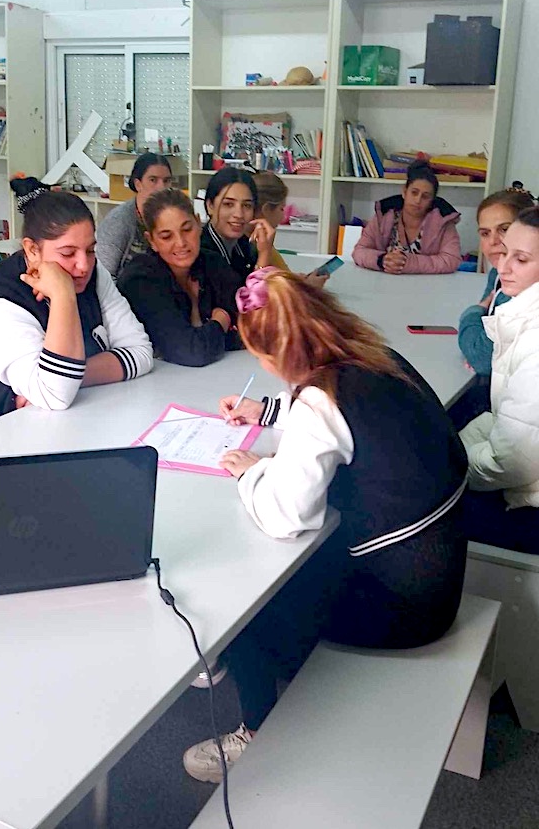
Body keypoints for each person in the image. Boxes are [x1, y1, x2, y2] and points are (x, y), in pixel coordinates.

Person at [183, 267, 468, 783]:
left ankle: (257, 732)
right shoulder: (374, 355)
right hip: (438, 564)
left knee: (244, 606)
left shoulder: (321, 402)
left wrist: (251, 473)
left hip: (407, 604)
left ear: (277, 355)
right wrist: (272, 411)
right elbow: (341, 419)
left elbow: (287, 515)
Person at [0, 178, 153, 439]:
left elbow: (140, 352)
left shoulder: (93, 275)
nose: (83, 265)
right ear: (32, 250)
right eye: (68, 253)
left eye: (90, 250)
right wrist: (63, 296)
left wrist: (70, 377)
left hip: (62, 427)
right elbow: (56, 395)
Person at [460, 206, 539, 555]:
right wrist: (458, 446)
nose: (503, 266)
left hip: (528, 506)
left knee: (412, 506)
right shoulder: (522, 316)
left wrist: (454, 463)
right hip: (522, 479)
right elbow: (504, 420)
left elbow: (511, 463)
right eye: (505, 253)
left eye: (520, 259)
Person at [118, 189, 243, 367]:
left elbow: (249, 326)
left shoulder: (211, 262)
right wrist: (221, 321)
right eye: (166, 236)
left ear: (198, 223)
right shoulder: (140, 278)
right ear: (151, 240)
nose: (181, 243)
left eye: (187, 229)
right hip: (153, 381)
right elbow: (191, 352)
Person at [449, 186, 534, 430]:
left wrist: (471, 315)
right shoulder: (499, 272)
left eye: (503, 229)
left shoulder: (521, 287)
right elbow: (488, 322)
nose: (494, 241)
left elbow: (482, 356)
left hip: (512, 412)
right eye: (485, 233)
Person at [352, 159, 461, 274]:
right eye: (414, 193)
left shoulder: (443, 221)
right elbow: (359, 251)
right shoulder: (384, 215)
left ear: (432, 201)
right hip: (383, 282)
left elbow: (451, 260)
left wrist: (408, 263)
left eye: (425, 196)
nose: (418, 200)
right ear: (404, 192)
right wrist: (382, 260)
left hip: (426, 284)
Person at [96, 152, 172, 280]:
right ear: (138, 184)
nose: (161, 187)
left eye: (166, 181)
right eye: (153, 180)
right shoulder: (119, 222)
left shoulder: (170, 216)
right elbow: (103, 278)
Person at [200, 166, 276, 283]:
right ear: (210, 206)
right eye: (228, 204)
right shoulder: (201, 252)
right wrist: (264, 256)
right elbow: (249, 295)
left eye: (246, 206)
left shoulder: (245, 245)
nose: (239, 214)